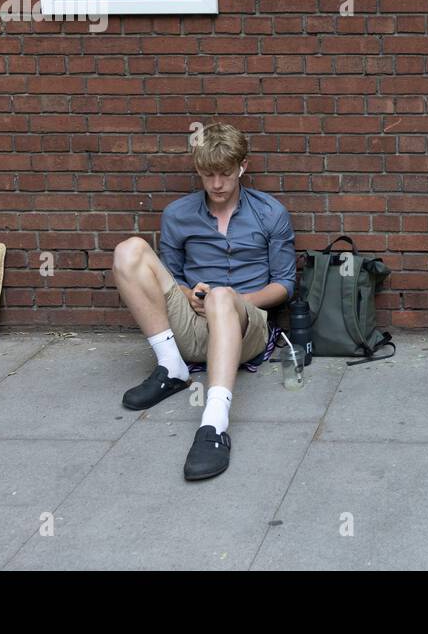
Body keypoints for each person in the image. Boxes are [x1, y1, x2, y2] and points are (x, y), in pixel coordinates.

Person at [110, 124, 296, 480]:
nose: (217, 185)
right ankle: (171, 367)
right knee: (128, 250)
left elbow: (285, 285)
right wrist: (193, 298)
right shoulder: (178, 214)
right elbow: (170, 280)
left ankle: (214, 424)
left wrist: (230, 301)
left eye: (225, 174)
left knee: (223, 297)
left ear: (243, 166)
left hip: (246, 328)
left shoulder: (271, 213)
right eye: (207, 175)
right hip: (191, 323)